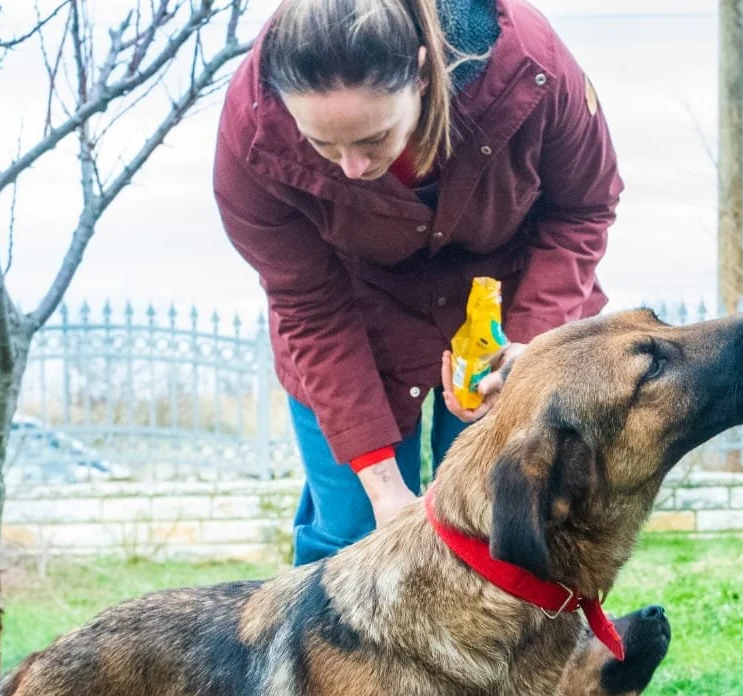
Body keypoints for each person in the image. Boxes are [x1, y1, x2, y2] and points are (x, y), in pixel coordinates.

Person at [215, 0, 620, 563]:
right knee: (354, 539)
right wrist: (382, 489)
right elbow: (308, 306)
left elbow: (583, 208)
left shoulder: (531, 67)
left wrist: (529, 353)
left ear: (425, 75)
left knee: (507, 529)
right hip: (354, 313)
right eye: (323, 146)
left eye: (374, 138)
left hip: (508, 297)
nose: (352, 167)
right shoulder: (252, 132)